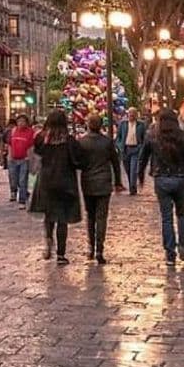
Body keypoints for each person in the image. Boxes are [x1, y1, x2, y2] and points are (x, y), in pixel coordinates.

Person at [139, 110, 184, 266]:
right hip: (180, 178)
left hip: (161, 179)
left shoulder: (152, 136)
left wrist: (140, 177)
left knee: (166, 217)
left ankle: (170, 253)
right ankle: (183, 246)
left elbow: (143, 157)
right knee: (182, 215)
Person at [30, 109, 82, 265]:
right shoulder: (69, 141)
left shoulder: (41, 138)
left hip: (46, 181)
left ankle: (48, 237)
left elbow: (37, 154)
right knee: (62, 218)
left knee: (49, 215)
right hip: (65, 182)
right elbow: (77, 161)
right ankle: (61, 254)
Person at [77, 113, 123, 264]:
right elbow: (116, 163)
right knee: (101, 217)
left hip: (88, 182)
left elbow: (78, 163)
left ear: (88, 124)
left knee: (90, 216)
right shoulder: (107, 142)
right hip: (103, 182)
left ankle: (91, 247)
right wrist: (118, 182)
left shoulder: (82, 142)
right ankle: (99, 249)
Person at [7, 113, 36, 205]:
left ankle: (22, 200)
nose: (20, 123)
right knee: (13, 178)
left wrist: (29, 158)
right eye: (19, 121)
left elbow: (31, 146)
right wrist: (9, 156)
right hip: (13, 159)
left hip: (24, 159)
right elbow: (10, 144)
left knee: (22, 179)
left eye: (23, 121)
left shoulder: (30, 132)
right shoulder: (13, 131)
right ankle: (13, 192)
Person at [116, 106, 146, 194]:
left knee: (133, 170)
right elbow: (118, 138)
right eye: (130, 115)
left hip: (136, 149)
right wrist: (120, 146)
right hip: (125, 149)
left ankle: (133, 189)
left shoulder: (141, 124)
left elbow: (144, 138)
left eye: (133, 115)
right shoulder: (123, 124)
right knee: (128, 170)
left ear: (136, 115)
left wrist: (141, 147)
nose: (131, 116)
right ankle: (131, 185)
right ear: (127, 114)